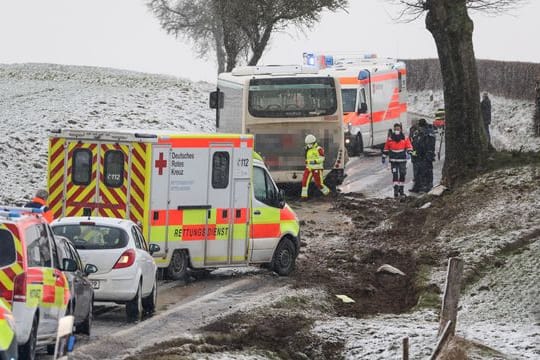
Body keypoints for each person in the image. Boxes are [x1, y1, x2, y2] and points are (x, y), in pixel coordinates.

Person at [382, 123, 413, 198]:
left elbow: (409, 146)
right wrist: (384, 156)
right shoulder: (390, 139)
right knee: (395, 175)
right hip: (393, 161)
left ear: (400, 129)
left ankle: (401, 189)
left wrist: (410, 152)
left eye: (398, 129)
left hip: (402, 160)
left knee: (402, 174)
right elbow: (386, 148)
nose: (397, 131)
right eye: (395, 129)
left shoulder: (404, 138)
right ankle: (396, 190)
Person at [410, 118, 436, 193]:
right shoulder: (418, 132)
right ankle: (417, 186)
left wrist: (429, 154)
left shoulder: (428, 132)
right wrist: (413, 154)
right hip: (417, 154)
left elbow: (430, 144)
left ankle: (427, 186)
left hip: (426, 154)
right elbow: (415, 143)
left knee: (426, 170)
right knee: (417, 171)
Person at [301, 134, 330, 199]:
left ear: (313, 143)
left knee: (319, 183)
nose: (308, 145)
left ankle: (327, 193)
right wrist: (307, 162)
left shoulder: (319, 149)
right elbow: (307, 158)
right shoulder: (307, 149)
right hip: (309, 168)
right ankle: (304, 197)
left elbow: (322, 158)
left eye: (310, 144)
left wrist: (315, 161)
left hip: (317, 168)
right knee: (304, 181)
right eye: (307, 144)